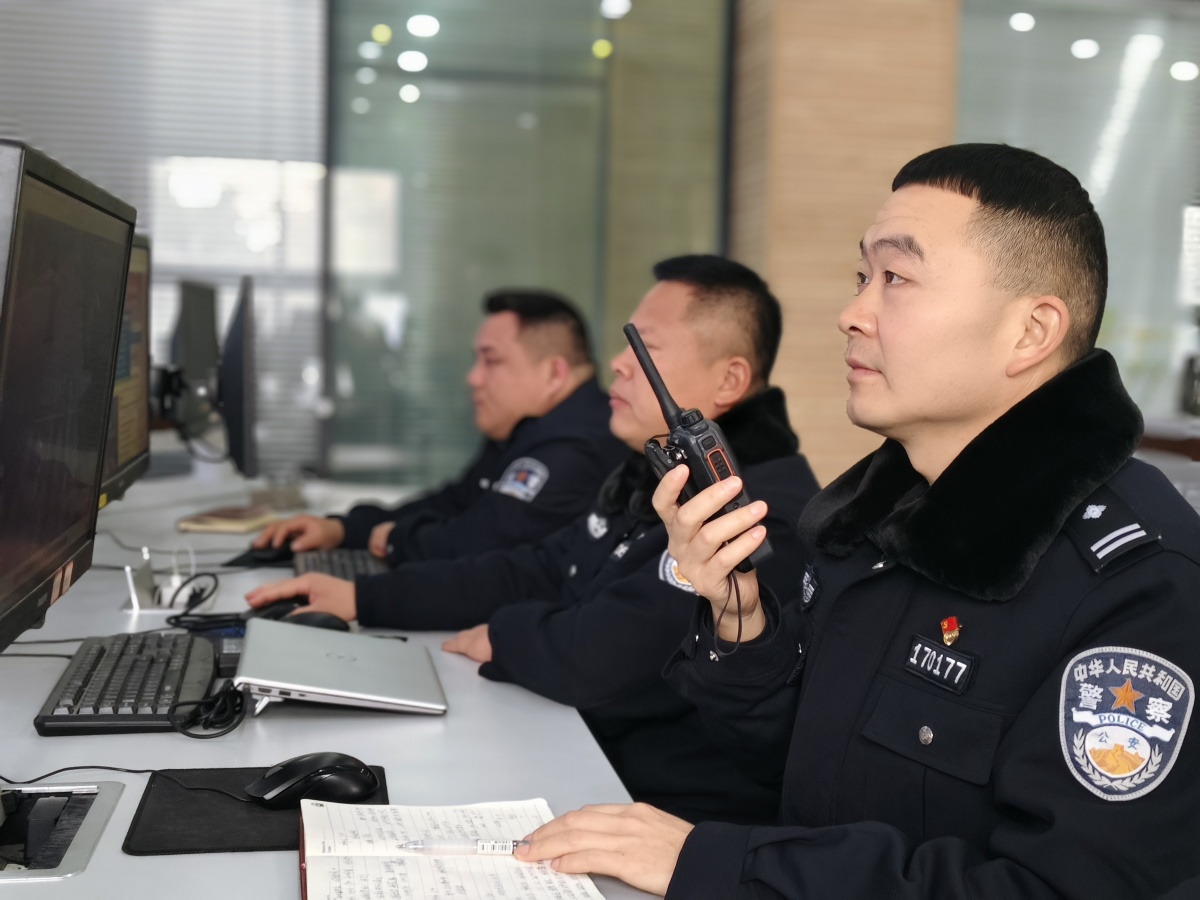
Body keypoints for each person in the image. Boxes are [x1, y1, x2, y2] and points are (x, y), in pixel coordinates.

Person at [516, 144, 1200, 898]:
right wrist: (739, 618)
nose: (851, 314)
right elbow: (797, 772)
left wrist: (721, 864)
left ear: (1030, 333)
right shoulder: (874, 525)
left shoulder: (1142, 587)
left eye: (896, 278)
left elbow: (1052, 889)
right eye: (861, 278)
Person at [247, 255, 821, 825]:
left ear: (729, 381)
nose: (617, 365)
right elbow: (541, 565)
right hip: (587, 761)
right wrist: (364, 599)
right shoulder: (654, 471)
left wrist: (505, 635)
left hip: (665, 816)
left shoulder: (759, 517)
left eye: (646, 348)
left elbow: (600, 657)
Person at [253, 290, 627, 564]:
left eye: (491, 361)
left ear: (554, 373)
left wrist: (394, 541)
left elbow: (482, 541)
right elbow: (455, 503)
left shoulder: (578, 445)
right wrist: (345, 529)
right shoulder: (531, 427)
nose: (473, 378)